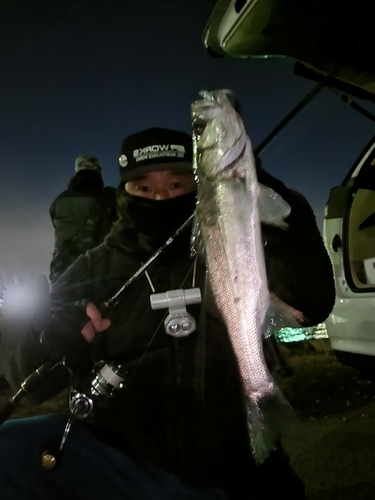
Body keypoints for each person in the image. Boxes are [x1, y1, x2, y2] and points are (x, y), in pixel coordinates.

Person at [0, 126, 335, 500]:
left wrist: (267, 198)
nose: (160, 197)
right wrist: (47, 337)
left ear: (197, 185)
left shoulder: (232, 245)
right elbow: (24, 376)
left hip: (231, 466)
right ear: (123, 190)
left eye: (176, 185)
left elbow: (312, 304)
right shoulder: (92, 269)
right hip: (121, 463)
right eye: (143, 187)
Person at [49, 156, 117, 284]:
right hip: (100, 270)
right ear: (99, 172)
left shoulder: (59, 201)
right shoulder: (110, 198)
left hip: (63, 270)